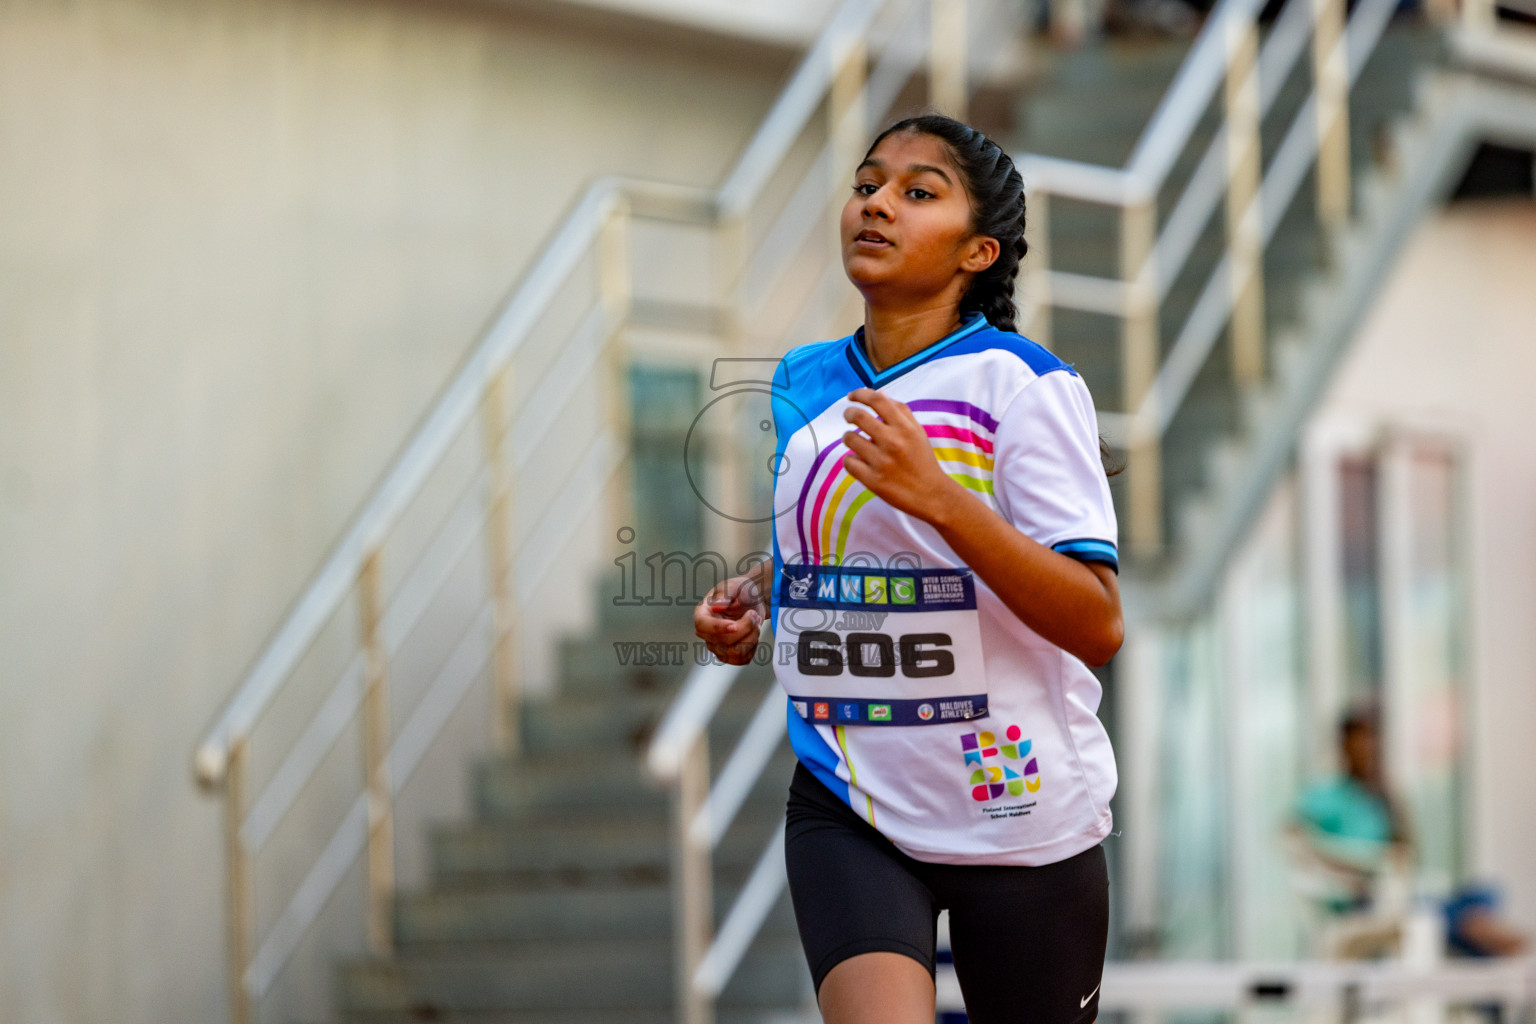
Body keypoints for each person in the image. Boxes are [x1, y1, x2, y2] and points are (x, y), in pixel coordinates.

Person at [694, 114, 1124, 1024]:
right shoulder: (804, 378)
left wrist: (943, 498)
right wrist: (758, 599)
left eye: (917, 192)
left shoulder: (1024, 386)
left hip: (1018, 810)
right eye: (867, 185)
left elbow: (1097, 622)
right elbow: (833, 546)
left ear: (978, 252)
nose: (876, 203)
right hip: (850, 801)